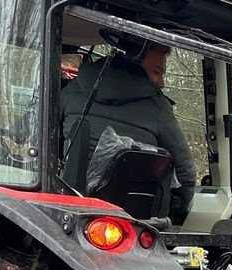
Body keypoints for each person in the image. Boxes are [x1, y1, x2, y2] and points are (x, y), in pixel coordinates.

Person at [61, 34, 196, 224]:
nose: (161, 82)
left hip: (70, 212)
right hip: (136, 222)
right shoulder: (158, 107)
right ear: (132, 65)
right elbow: (187, 174)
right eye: (157, 72)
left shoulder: (71, 90)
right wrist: (177, 214)